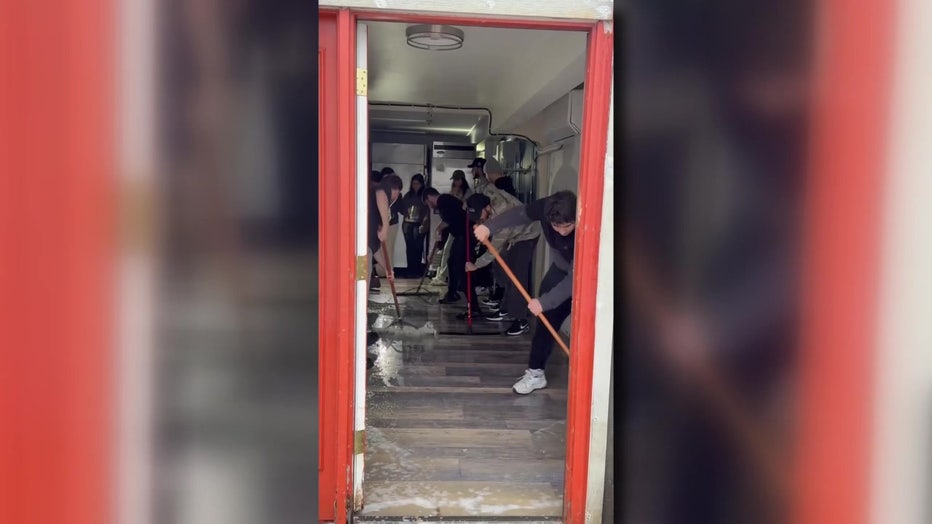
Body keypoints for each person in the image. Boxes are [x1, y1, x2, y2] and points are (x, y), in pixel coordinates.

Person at [474, 190, 576, 394]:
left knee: (583, 325)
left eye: (567, 226)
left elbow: (575, 279)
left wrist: (545, 301)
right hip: (559, 269)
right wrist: (488, 226)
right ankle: (536, 373)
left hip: (583, 276)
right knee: (545, 322)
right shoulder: (545, 207)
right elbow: (518, 214)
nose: (562, 232)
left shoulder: (586, 225)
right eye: (556, 226)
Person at [467, 165, 541, 336]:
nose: (480, 219)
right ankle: (506, 308)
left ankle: (520, 320)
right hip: (514, 234)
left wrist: (476, 265)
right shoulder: (488, 194)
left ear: (487, 208)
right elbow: (487, 185)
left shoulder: (502, 214)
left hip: (528, 233)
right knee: (505, 271)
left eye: (481, 215)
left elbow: (495, 249)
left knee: (517, 275)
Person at [423, 187, 480, 313]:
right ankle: (452, 294)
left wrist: (438, 229)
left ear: (429, 198)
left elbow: (449, 220)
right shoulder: (445, 201)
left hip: (465, 235)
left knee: (462, 269)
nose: (430, 206)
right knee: (451, 262)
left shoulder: (443, 201)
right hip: (462, 235)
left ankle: (474, 307)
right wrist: (439, 234)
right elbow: (450, 220)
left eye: (427, 203)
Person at [368, 173, 403, 292]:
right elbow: (381, 194)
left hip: (367, 247)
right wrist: (385, 227)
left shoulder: (375, 213)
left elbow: (375, 249)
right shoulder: (383, 189)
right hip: (362, 247)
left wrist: (388, 269)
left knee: (364, 279)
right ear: (396, 190)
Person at [399, 174, 429, 277]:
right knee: (410, 247)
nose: (415, 186)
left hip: (419, 223)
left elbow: (427, 209)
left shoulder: (424, 195)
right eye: (413, 184)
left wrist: (423, 220)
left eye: (417, 184)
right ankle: (410, 269)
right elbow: (402, 208)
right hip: (408, 223)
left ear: (421, 184)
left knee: (418, 247)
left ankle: (416, 270)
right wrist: (407, 213)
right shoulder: (408, 195)